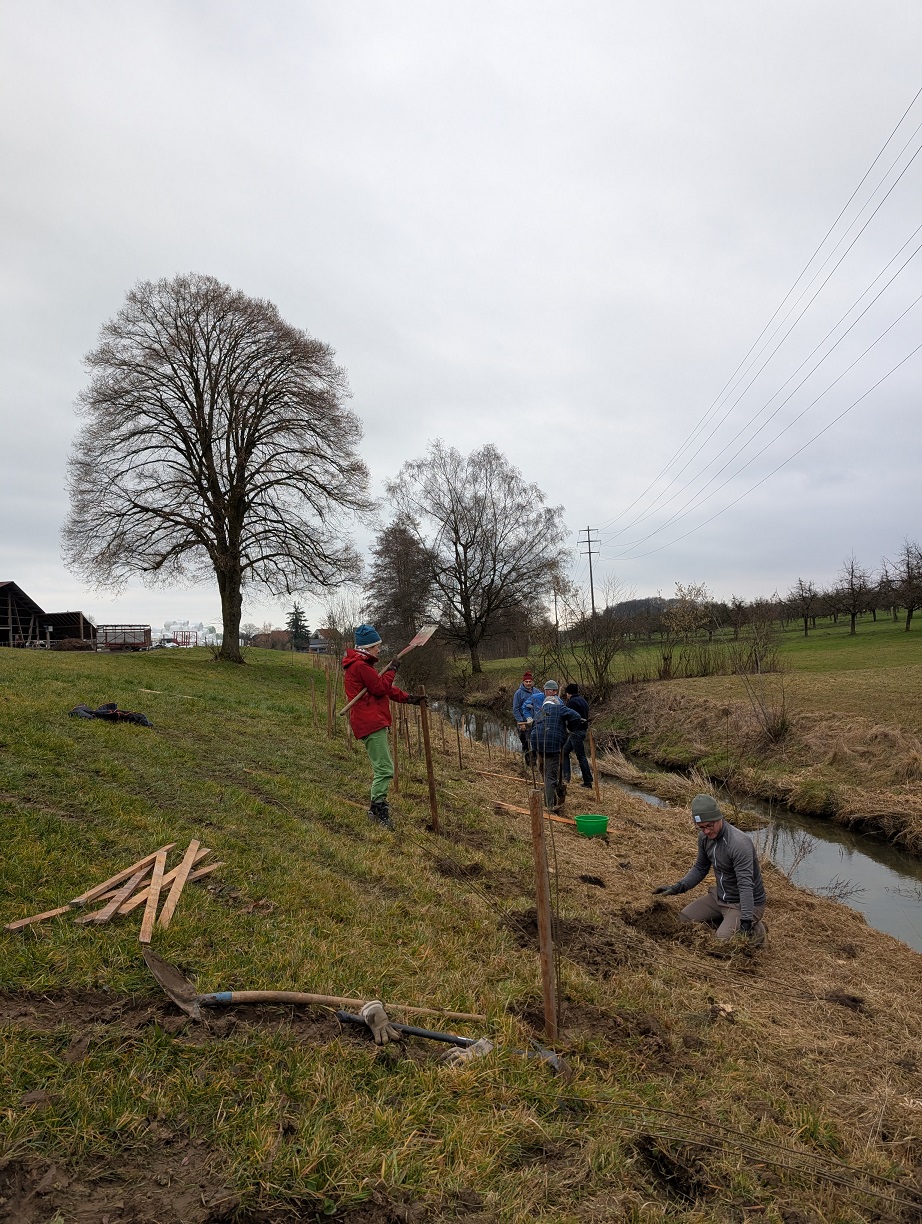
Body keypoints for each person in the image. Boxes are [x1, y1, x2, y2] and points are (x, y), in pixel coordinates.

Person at [653, 794, 767, 944]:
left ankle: (755, 929)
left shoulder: (738, 844)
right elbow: (700, 868)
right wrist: (677, 887)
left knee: (721, 942)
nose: (706, 831)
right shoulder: (704, 838)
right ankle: (728, 921)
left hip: (742, 904)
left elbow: (745, 886)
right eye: (701, 827)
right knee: (683, 920)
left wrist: (746, 921)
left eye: (709, 826)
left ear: (718, 818)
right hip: (719, 897)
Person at [342, 624, 422, 829]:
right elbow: (379, 688)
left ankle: (377, 808)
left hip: (372, 720)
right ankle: (378, 810)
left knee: (384, 767)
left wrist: (408, 698)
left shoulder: (362, 665)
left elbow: (384, 689)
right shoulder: (359, 666)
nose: (379, 649)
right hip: (370, 722)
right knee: (385, 769)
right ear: (368, 647)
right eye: (376, 645)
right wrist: (393, 669)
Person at [530, 680, 583, 813]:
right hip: (553, 745)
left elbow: (534, 726)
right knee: (551, 776)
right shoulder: (560, 708)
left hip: (537, 744)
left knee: (544, 769)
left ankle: (553, 793)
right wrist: (570, 728)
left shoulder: (540, 711)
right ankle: (550, 806)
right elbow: (576, 716)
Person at [562, 682, 593, 789]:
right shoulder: (582, 700)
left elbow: (569, 717)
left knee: (581, 757)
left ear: (568, 693)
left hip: (576, 732)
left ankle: (587, 781)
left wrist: (568, 728)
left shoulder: (571, 702)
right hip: (582, 730)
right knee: (564, 752)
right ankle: (566, 778)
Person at [512, 671, 538, 766]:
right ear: (523, 682)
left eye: (530, 681)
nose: (528, 683)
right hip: (524, 723)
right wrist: (521, 722)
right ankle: (528, 764)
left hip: (535, 722)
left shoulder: (537, 692)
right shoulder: (518, 693)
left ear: (532, 682)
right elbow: (516, 709)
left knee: (535, 743)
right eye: (526, 681)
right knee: (526, 743)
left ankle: (535, 763)